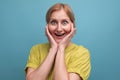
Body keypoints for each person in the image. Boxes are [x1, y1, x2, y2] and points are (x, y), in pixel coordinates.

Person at [25, 3, 91, 80]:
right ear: (47, 27)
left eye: (64, 22)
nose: (59, 29)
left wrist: (61, 48)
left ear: (72, 26)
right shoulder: (36, 50)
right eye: (53, 22)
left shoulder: (82, 53)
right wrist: (53, 49)